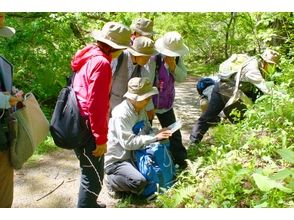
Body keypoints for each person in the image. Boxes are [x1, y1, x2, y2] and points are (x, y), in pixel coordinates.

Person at [70, 21, 131, 208]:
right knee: (93, 176)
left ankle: (91, 205)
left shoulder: (89, 55)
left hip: (77, 121)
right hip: (88, 127)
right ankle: (86, 208)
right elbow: (96, 104)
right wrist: (100, 138)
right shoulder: (102, 63)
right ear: (116, 48)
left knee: (89, 170)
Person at [190, 49, 280, 144]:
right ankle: (242, 144)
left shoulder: (252, 62)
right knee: (243, 119)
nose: (272, 67)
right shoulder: (253, 70)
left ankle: (193, 141)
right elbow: (266, 89)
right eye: (271, 64)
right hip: (229, 91)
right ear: (265, 62)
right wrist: (283, 97)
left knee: (208, 116)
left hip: (220, 86)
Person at [104, 77, 172, 196]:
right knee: (139, 181)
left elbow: (147, 130)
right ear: (133, 98)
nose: (149, 100)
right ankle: (110, 181)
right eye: (146, 98)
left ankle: (128, 184)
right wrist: (155, 137)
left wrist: (159, 133)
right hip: (118, 160)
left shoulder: (141, 109)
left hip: (135, 154)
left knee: (154, 173)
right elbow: (128, 143)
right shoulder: (121, 114)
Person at [151, 31, 189, 168]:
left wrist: (173, 66)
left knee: (174, 134)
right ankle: (147, 165)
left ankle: (181, 162)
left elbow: (182, 77)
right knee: (146, 134)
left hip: (166, 103)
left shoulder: (177, 58)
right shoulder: (153, 57)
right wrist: (149, 106)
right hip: (149, 103)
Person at [0, 12, 21, 208]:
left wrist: (13, 94)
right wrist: (7, 99)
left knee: (4, 191)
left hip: (2, 135)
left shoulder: (1, 61)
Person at [110, 36, 157, 113]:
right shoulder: (119, 58)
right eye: (146, 57)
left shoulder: (141, 67)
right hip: (110, 110)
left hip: (126, 112)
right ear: (137, 54)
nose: (148, 60)